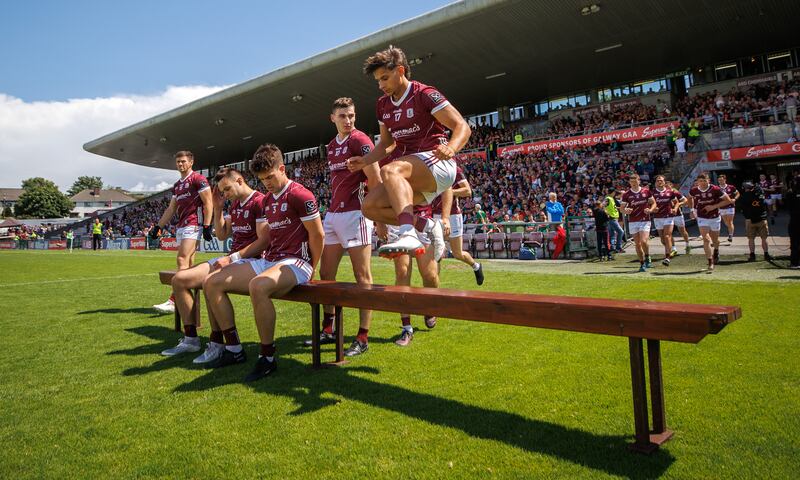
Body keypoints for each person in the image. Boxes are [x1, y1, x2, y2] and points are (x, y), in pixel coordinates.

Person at [347, 45, 471, 261]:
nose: (381, 85)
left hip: (438, 164)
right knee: (369, 207)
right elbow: (387, 143)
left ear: (401, 71)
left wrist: (450, 148)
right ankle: (428, 226)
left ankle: (408, 233)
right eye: (378, 80)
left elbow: (462, 126)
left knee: (390, 169)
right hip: (411, 174)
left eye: (385, 78)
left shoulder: (424, 94)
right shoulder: (383, 105)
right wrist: (365, 160)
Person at [236, 144, 324, 382]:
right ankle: (227, 347)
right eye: (262, 179)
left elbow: (317, 235)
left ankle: (267, 357)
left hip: (298, 262)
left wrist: (312, 267)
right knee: (213, 280)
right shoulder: (266, 200)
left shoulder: (300, 194)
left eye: (270, 177)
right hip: (272, 261)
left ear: (282, 168)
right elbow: (266, 237)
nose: (267, 183)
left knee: (258, 286)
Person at [163, 167, 269, 362]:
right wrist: (218, 208)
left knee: (210, 282)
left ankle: (221, 343)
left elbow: (264, 241)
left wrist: (232, 258)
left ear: (239, 180)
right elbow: (221, 234)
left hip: (253, 260)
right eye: (222, 192)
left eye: (227, 189)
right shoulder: (234, 204)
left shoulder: (259, 201)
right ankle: (191, 339)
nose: (225, 195)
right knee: (179, 280)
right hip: (234, 258)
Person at [306, 97, 381, 357]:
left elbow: (377, 180)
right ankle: (329, 329)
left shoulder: (361, 141)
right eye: (343, 116)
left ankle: (362, 336)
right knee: (326, 274)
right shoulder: (330, 146)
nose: (348, 120)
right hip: (333, 215)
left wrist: (379, 219)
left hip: (356, 215)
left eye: (351, 115)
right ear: (333, 118)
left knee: (362, 277)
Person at [150, 151, 214, 313]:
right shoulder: (177, 185)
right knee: (189, 265)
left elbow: (208, 202)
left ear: (191, 162)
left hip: (194, 225)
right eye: (178, 161)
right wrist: (159, 226)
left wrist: (207, 225)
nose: (180, 164)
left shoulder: (198, 179)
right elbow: (171, 208)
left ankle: (174, 300)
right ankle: (187, 302)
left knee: (181, 259)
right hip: (181, 226)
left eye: (183, 161)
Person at [432, 167, 484, 285]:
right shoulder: (428, 167)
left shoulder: (453, 170)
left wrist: (448, 192)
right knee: (436, 252)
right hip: (434, 214)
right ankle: (433, 287)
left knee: (458, 254)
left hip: (453, 215)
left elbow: (467, 191)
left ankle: (476, 266)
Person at [689, 173, 732, 273]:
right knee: (706, 239)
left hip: (715, 217)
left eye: (704, 181)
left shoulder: (715, 189)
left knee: (715, 240)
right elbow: (689, 197)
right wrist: (692, 210)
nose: (702, 183)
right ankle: (710, 261)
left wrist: (713, 207)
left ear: (708, 180)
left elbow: (728, 200)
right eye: (700, 181)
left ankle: (716, 251)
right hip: (702, 217)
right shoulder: (694, 190)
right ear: (697, 182)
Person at [621, 173, 656, 272]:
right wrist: (625, 210)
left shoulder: (646, 191)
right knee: (637, 244)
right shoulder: (626, 194)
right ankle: (642, 263)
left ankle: (647, 256)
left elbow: (653, 203)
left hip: (645, 220)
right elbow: (622, 209)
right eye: (631, 182)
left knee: (644, 241)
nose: (633, 184)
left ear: (639, 181)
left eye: (635, 181)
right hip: (633, 221)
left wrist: (650, 210)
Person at [651, 175, 686, 266]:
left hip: (668, 216)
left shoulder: (670, 192)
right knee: (663, 239)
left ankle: (667, 257)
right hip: (657, 217)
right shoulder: (652, 193)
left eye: (661, 180)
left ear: (664, 182)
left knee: (667, 236)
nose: (659, 182)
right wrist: (652, 209)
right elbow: (648, 204)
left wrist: (675, 209)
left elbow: (676, 202)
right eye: (658, 180)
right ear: (655, 183)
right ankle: (671, 249)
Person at [738, 181, 770, 262]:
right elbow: (764, 203)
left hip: (749, 220)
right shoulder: (760, 194)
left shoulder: (744, 196)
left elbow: (742, 208)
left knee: (751, 238)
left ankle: (752, 255)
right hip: (761, 218)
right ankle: (766, 254)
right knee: (764, 238)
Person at [666, 180, 691, 253]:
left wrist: (678, 204)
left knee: (682, 231)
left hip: (678, 215)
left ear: (671, 185)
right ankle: (673, 248)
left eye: (668, 186)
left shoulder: (676, 193)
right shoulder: (663, 193)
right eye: (665, 186)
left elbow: (685, 200)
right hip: (668, 215)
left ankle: (687, 245)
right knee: (668, 233)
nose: (666, 188)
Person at [717, 174, 740, 243]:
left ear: (725, 180)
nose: (720, 181)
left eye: (721, 180)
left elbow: (738, 193)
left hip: (730, 207)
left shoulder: (731, 187)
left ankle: (730, 235)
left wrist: (735, 199)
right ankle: (730, 229)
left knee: (730, 222)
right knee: (726, 222)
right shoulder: (717, 188)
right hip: (722, 208)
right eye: (719, 180)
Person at [604, 188, 625, 253]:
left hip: (613, 218)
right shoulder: (608, 198)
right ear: (612, 192)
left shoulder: (611, 198)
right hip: (611, 218)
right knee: (621, 232)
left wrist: (621, 208)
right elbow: (604, 206)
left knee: (612, 234)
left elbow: (613, 208)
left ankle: (612, 248)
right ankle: (618, 247)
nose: (615, 193)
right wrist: (607, 214)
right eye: (614, 192)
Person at [786, 175, 800, 269]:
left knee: (795, 242)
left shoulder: (790, 193)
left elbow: (788, 207)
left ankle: (795, 263)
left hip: (795, 220)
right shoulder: (791, 193)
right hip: (795, 219)